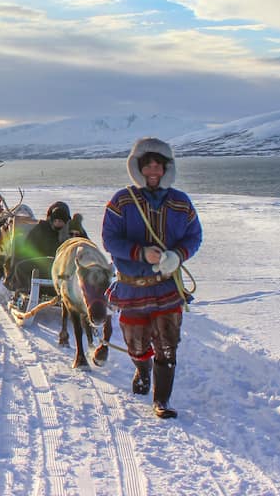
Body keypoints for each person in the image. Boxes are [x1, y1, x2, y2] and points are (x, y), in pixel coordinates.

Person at [102, 137, 202, 419]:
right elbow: (109, 239)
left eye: (159, 165)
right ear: (139, 168)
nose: (154, 170)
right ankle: (142, 368)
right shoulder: (121, 201)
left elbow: (195, 235)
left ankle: (162, 400)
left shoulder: (181, 202)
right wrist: (140, 253)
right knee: (136, 344)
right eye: (148, 165)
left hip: (167, 287)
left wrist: (178, 255)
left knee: (168, 344)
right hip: (133, 287)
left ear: (166, 168)